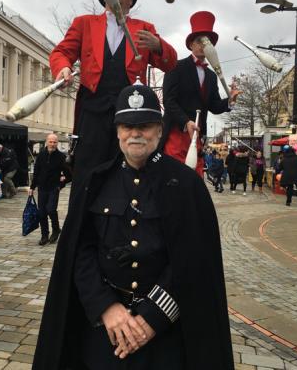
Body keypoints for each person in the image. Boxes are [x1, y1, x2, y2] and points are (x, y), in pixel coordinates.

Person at [32, 80, 234, 370]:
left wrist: (152, 318)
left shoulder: (186, 185)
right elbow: (81, 251)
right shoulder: (95, 182)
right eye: (127, 126)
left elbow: (193, 262)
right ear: (117, 132)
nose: (135, 133)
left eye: (145, 125)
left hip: (166, 333)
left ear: (159, 130)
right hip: (105, 328)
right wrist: (106, 307)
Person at [49, 0, 178, 190]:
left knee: (127, 174)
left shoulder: (144, 28)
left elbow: (171, 63)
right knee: (88, 175)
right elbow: (60, 53)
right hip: (93, 111)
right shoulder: (84, 24)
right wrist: (63, 67)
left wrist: (158, 45)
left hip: (130, 113)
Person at [160, 11, 240, 177]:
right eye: (199, 41)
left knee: (195, 182)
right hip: (176, 134)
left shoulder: (211, 76)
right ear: (191, 45)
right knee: (175, 179)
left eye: (208, 42)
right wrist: (186, 121)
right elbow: (169, 101)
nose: (204, 45)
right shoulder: (176, 67)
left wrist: (229, 101)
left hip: (198, 138)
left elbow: (214, 105)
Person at [29, 133, 72, 245]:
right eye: (50, 142)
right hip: (42, 187)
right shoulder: (41, 155)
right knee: (42, 212)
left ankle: (56, 229)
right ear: (46, 142)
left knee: (51, 209)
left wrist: (60, 185)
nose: (52, 144)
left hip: (54, 187)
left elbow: (69, 175)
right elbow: (37, 172)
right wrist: (32, 187)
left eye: (54, 142)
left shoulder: (61, 157)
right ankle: (44, 235)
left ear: (57, 143)